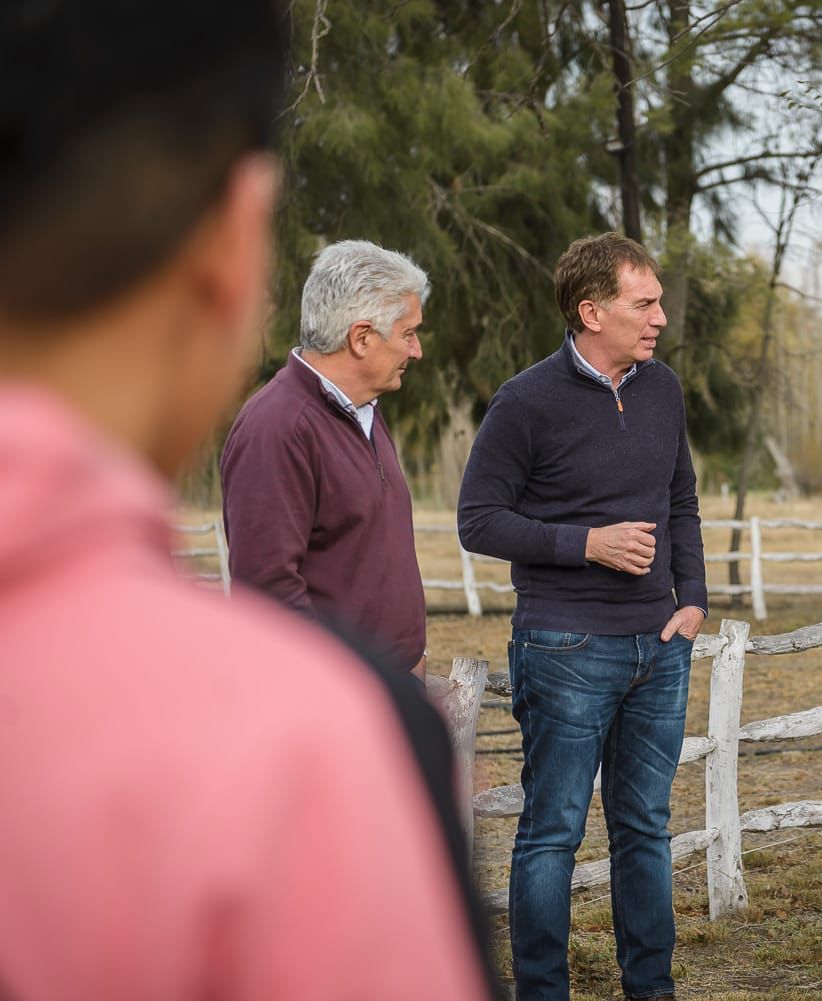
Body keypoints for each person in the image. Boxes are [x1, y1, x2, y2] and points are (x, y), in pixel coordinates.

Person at [0, 3, 491, 999]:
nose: (417, 348)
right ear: (233, 240)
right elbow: (271, 581)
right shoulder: (291, 750)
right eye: (405, 330)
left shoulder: (367, 419)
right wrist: (362, 699)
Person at [458, 232, 708, 1001]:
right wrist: (585, 544)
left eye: (659, 301)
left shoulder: (661, 387)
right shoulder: (525, 401)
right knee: (553, 833)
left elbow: (680, 501)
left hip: (657, 646)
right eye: (645, 303)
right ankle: (542, 992)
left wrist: (692, 599)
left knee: (644, 828)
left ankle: (652, 988)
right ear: (591, 310)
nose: (661, 316)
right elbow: (478, 520)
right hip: (564, 644)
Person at [221, 240, 430, 678]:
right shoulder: (278, 428)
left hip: (386, 690)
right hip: (339, 699)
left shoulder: (363, 411)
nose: (417, 351)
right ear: (361, 338)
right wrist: (352, 689)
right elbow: (269, 594)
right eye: (408, 334)